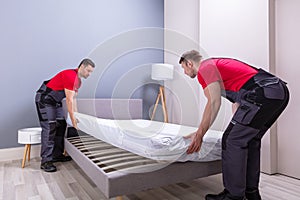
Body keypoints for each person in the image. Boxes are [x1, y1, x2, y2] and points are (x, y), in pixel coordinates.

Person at [179, 50, 289, 200]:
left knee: (231, 140)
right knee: (249, 139)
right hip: (277, 92)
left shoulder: (205, 68)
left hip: (262, 93)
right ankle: (251, 193)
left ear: (189, 63)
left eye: (184, 68)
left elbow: (213, 102)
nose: (185, 73)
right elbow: (239, 100)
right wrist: (238, 123)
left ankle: (233, 196)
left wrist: (200, 134)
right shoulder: (217, 65)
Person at [35, 58, 95, 172]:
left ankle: (57, 154)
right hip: (45, 99)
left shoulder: (79, 82)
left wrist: (77, 116)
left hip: (55, 102)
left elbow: (74, 100)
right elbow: (69, 101)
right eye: (88, 70)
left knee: (61, 124)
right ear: (81, 66)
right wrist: (73, 120)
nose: (89, 74)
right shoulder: (70, 76)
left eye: (91, 72)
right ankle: (46, 161)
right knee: (50, 127)